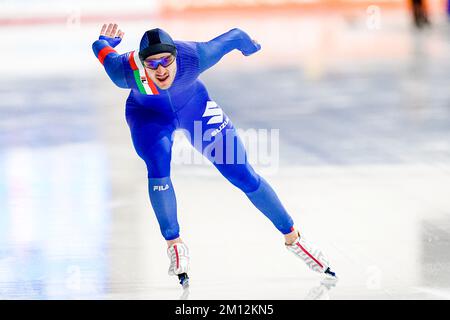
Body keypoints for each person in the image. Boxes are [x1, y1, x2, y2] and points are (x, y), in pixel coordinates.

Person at [92, 23, 337, 287]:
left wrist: (249, 47)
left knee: (242, 175)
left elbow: (235, 36)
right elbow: (100, 48)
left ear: (176, 56)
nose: (161, 70)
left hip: (195, 109)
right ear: (142, 64)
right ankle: (175, 244)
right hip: (148, 116)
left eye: (166, 60)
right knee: (157, 164)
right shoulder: (123, 72)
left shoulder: (195, 56)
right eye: (153, 64)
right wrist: (106, 41)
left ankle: (293, 238)